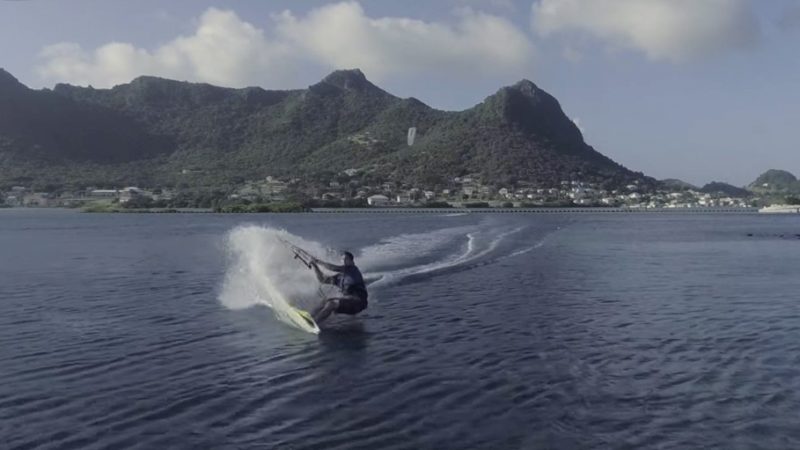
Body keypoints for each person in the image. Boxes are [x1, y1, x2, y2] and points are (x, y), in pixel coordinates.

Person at [310, 251, 368, 324]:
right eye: (342, 259)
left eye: (346, 259)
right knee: (325, 301)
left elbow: (333, 268)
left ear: (352, 261)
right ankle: (310, 317)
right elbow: (322, 279)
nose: (343, 261)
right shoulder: (339, 278)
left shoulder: (353, 269)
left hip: (359, 303)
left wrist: (318, 261)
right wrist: (315, 266)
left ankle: (314, 323)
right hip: (349, 305)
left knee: (331, 303)